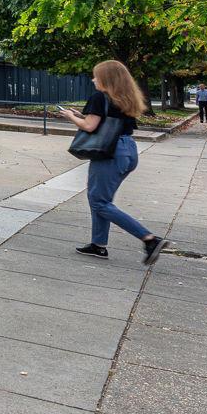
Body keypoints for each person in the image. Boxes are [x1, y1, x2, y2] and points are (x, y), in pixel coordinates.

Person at [59, 59, 165, 265]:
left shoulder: (100, 97)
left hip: (110, 152)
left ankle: (149, 239)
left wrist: (70, 116)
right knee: (100, 199)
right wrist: (81, 115)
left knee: (99, 202)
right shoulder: (126, 98)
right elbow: (108, 121)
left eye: (96, 76)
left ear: (106, 79)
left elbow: (90, 127)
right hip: (128, 150)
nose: (93, 79)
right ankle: (98, 245)